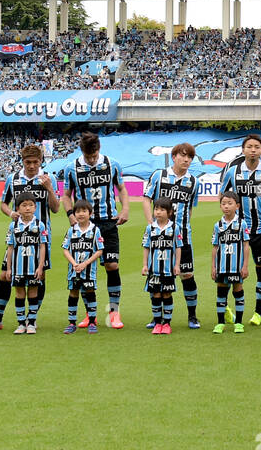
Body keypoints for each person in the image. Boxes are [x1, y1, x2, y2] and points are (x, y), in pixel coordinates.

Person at [0, 143, 59, 332]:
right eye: (28, 162)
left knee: (38, 277)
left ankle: (31, 320)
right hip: (17, 237)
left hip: (40, 238)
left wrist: (49, 188)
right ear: (22, 161)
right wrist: (10, 214)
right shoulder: (13, 179)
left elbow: (56, 208)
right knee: (4, 275)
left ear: (41, 161)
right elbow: (3, 204)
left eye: (35, 162)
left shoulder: (49, 179)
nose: (32, 166)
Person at [63, 131, 129, 329]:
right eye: (88, 156)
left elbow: (122, 189)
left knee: (112, 266)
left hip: (108, 222)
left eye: (94, 156)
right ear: (82, 151)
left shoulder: (112, 164)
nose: (91, 160)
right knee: (84, 269)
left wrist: (125, 208)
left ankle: (114, 311)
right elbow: (66, 195)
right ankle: (89, 314)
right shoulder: (71, 168)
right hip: (85, 227)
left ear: (99, 149)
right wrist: (70, 215)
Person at [220, 134, 261, 326]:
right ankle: (226, 307)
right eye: (249, 147)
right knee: (231, 270)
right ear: (243, 150)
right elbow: (223, 196)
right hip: (237, 230)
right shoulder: (233, 172)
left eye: (257, 147)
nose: (253, 150)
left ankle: (258, 313)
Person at [144, 142, 200, 329]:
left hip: (182, 237)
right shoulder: (159, 176)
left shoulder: (193, 181)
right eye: (183, 155)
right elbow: (147, 198)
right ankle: (157, 317)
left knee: (187, 274)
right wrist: (151, 224)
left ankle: (192, 316)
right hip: (159, 237)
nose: (186, 160)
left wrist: (184, 227)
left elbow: (190, 208)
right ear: (174, 156)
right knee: (157, 276)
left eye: (190, 157)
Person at [2, 191, 49, 335]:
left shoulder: (40, 225)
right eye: (24, 205)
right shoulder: (13, 226)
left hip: (33, 267)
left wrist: (41, 267)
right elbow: (10, 248)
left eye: (30, 205)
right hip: (18, 268)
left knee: (33, 293)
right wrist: (9, 268)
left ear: (35, 207)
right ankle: (21, 323)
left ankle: (32, 323)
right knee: (19, 293)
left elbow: (42, 246)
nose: (27, 208)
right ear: (17, 208)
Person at [62, 198, 104, 334]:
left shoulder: (95, 230)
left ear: (90, 213)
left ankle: (92, 322)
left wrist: (85, 263)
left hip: (89, 271)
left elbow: (99, 250)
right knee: (73, 293)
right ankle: (72, 322)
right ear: (74, 214)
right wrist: (74, 264)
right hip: (73, 270)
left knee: (90, 293)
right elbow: (65, 249)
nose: (81, 214)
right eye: (78, 211)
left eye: (84, 211)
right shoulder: (71, 231)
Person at [141, 197, 182, 335]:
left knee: (167, 294)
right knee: (156, 295)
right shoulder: (150, 228)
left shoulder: (175, 228)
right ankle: (158, 323)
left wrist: (177, 265)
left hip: (168, 270)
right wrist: (145, 265)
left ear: (169, 212)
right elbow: (146, 247)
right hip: (154, 270)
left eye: (162, 209)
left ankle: (167, 323)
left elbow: (178, 247)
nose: (158, 212)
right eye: (156, 209)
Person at [211, 192, 250, 334]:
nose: (226, 206)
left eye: (230, 203)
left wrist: (245, 266)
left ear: (237, 206)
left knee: (238, 291)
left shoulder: (241, 224)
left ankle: (239, 323)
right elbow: (215, 246)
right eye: (223, 203)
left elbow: (246, 245)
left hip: (236, 266)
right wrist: (213, 266)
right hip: (222, 266)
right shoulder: (218, 225)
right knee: (221, 293)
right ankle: (220, 322)